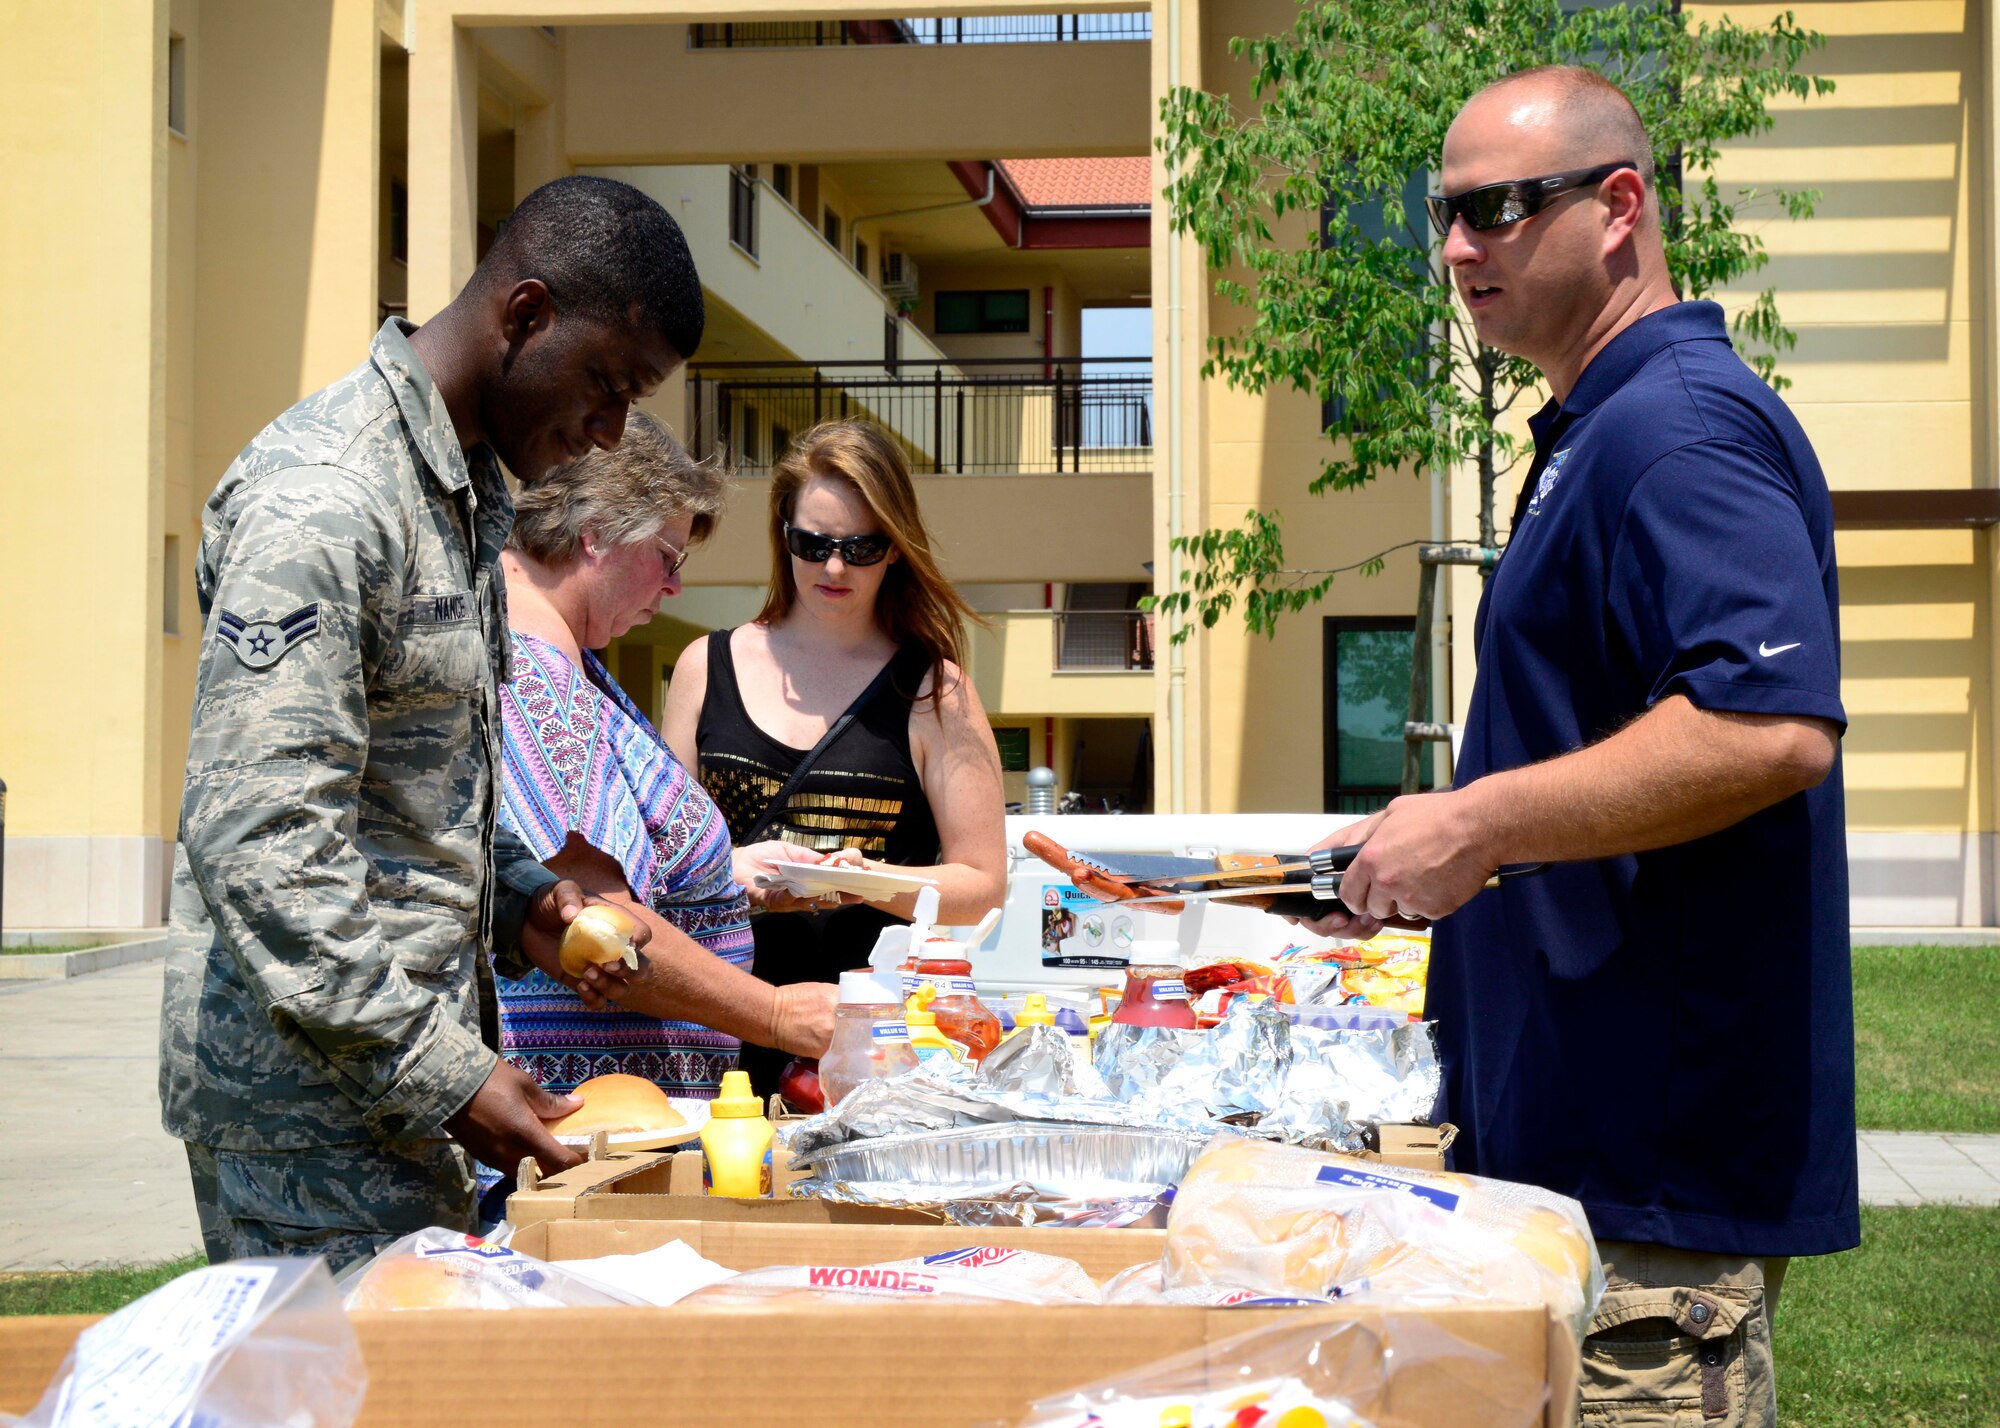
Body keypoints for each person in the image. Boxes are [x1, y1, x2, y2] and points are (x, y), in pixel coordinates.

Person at [1298, 68, 1853, 1426]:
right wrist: (1431, 844)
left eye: (1496, 208)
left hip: (1646, 1204)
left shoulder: (1675, 428)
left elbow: (1769, 727)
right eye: (1442, 213)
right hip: (1579, 1182)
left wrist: (1477, 824)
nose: (1454, 249)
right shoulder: (1598, 431)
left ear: (1619, 209)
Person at [160, 175, 705, 1272]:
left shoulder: (458, 493)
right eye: (605, 385)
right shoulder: (327, 499)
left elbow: (412, 791)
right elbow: (263, 842)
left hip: (388, 1088)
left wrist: (523, 893)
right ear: (525, 313)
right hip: (306, 1115)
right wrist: (439, 1070)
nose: (605, 433)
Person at [491, 412, 839, 1169]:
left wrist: (722, 879)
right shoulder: (533, 670)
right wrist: (779, 1012)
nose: (677, 583)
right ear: (596, 534)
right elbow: (597, 925)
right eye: (666, 555)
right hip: (591, 1129)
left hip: (620, 1123)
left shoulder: (567, 655)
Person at [662, 419, 1008, 1097]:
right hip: (718, 1031)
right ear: (782, 538)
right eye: (812, 543)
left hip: (871, 1050)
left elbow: (983, 886)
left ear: (897, 549)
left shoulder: (935, 690)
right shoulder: (705, 667)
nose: (834, 567)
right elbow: (665, 860)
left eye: (861, 546)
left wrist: (876, 882)